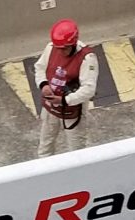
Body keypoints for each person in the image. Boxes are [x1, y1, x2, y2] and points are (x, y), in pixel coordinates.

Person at [33, 19, 100, 157]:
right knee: (45, 146)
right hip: (51, 108)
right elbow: (39, 68)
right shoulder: (51, 48)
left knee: (77, 150)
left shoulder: (87, 58)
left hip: (73, 112)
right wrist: (43, 84)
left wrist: (64, 100)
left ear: (73, 44)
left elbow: (89, 89)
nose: (61, 52)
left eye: (64, 48)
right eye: (58, 48)